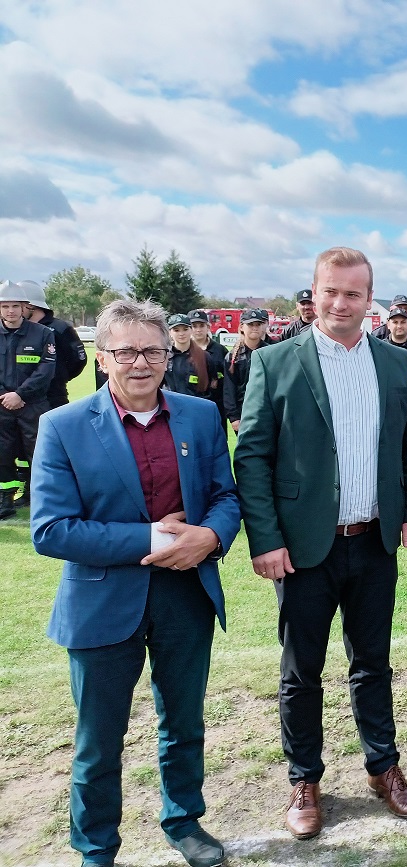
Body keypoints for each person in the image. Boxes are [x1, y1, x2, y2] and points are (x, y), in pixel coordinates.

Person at [31, 298, 240, 867]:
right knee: (99, 739)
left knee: (184, 722)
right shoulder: (63, 426)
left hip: (185, 595)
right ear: (102, 358)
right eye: (125, 352)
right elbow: (50, 529)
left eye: (151, 350)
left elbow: (225, 496)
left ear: (168, 355)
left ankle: (183, 820)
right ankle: (96, 846)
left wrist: (210, 537)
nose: (140, 363)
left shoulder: (200, 416)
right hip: (102, 603)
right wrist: (154, 538)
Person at [233, 246, 407, 839]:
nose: (341, 303)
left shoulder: (394, 363)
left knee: (372, 663)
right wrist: (266, 540)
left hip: (373, 542)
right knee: (302, 671)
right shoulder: (274, 361)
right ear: (314, 294)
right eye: (331, 292)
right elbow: (253, 457)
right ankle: (305, 779)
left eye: (353, 293)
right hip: (302, 549)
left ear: (370, 300)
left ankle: (383, 766)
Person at [0, 279, 55, 519]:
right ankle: (5, 499)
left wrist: (20, 394)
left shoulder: (43, 334)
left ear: (25, 307)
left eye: (15, 306)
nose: (10, 311)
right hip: (2, 405)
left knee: (39, 453)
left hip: (33, 405)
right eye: (5, 306)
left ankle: (42, 498)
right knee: (2, 453)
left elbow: (46, 370)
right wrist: (6, 397)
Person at [20, 280, 88, 409]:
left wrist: (57, 378)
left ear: (31, 305)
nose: (13, 310)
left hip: (53, 399)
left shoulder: (60, 329)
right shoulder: (16, 330)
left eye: (18, 305)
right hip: (20, 400)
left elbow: (78, 361)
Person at [222, 309, 274, 433]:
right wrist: (234, 417)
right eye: (250, 325)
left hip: (267, 413)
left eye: (258, 324)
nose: (255, 328)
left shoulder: (271, 352)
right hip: (243, 414)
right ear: (241, 327)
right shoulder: (233, 357)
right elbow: (229, 389)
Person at [188, 310, 228, 428]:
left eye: (201, 326)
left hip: (216, 405)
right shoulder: (183, 351)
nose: (198, 330)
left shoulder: (220, 350)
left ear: (208, 327)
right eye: (194, 326)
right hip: (190, 405)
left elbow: (228, 380)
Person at [164, 314, 212, 399]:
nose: (181, 334)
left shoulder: (204, 356)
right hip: (170, 403)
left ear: (191, 330)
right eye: (176, 330)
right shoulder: (164, 357)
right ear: (170, 333)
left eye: (185, 329)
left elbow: (212, 385)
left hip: (196, 404)